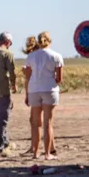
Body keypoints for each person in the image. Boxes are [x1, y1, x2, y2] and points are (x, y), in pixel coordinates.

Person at [22, 31, 64, 160]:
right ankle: (47, 153)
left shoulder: (31, 56)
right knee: (48, 123)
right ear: (49, 41)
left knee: (36, 123)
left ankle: (35, 152)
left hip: (34, 89)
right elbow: (59, 79)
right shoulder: (56, 56)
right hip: (49, 89)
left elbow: (28, 75)